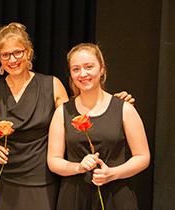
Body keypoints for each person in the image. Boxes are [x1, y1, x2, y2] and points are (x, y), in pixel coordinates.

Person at [0, 23, 134, 210]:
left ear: (28, 53)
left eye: (18, 52)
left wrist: (113, 105)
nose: (12, 59)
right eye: (5, 55)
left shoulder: (51, 85)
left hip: (42, 179)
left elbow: (76, 113)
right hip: (2, 179)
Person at [47, 43, 150, 210]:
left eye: (89, 67)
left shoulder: (124, 108)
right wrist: (78, 167)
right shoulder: (62, 112)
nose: (83, 74)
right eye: (76, 69)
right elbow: (53, 161)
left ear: (101, 69)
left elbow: (143, 157)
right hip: (75, 197)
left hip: (116, 196)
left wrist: (112, 174)